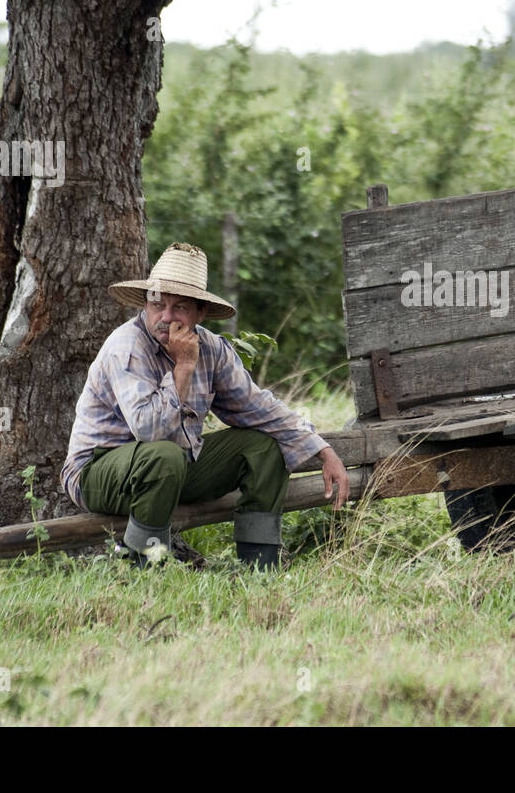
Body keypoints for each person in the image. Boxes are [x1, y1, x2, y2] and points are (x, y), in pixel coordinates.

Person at [60, 242, 350, 569]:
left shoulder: (212, 349)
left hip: (172, 467)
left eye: (179, 308)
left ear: (200, 314)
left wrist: (324, 451)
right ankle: (143, 569)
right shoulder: (126, 346)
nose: (166, 317)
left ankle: (260, 568)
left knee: (264, 447)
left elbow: (257, 407)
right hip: (99, 472)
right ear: (145, 304)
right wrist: (183, 367)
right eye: (158, 304)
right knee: (163, 454)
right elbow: (149, 429)